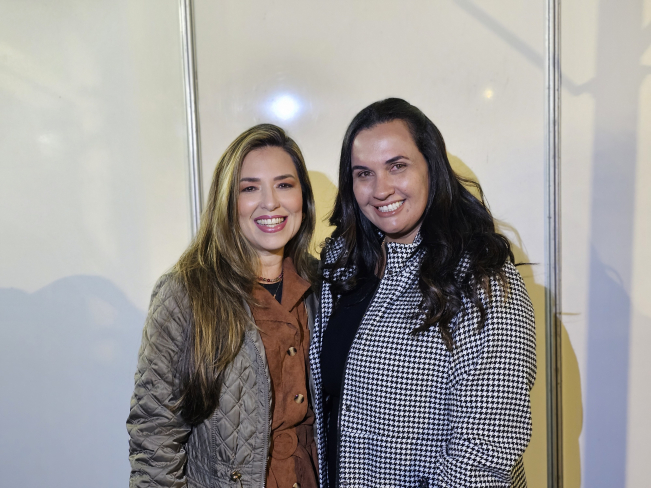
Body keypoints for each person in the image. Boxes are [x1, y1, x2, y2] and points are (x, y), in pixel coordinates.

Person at [309, 98, 537, 488]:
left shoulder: (483, 277)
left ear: (431, 166)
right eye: (364, 173)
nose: (381, 189)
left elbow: (486, 451)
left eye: (397, 166)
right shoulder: (342, 267)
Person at [127, 124, 320, 488]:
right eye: (250, 188)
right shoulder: (187, 292)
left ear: (303, 198)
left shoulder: (325, 286)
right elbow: (154, 432)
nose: (270, 202)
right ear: (227, 201)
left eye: (284, 185)